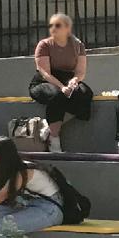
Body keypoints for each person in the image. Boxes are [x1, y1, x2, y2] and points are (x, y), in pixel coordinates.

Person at [30, 13, 93, 152]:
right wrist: (62, 87)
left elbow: (80, 72)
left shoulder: (78, 45)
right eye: (51, 25)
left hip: (67, 78)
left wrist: (74, 81)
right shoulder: (44, 45)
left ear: (67, 28)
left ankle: (50, 126)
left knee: (85, 94)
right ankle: (54, 138)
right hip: (44, 81)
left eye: (57, 25)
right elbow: (45, 73)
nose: (53, 28)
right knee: (57, 95)